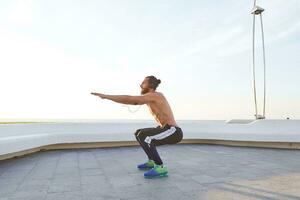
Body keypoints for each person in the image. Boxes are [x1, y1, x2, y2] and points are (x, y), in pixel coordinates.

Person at [91, 75, 183, 178]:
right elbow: (132, 99)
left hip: (173, 131)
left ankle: (160, 167)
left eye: (143, 83)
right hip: (164, 129)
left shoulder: (156, 95)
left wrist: (107, 96)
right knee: (138, 133)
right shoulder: (150, 97)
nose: (140, 85)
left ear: (151, 85)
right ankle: (152, 161)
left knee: (145, 136)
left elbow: (131, 99)